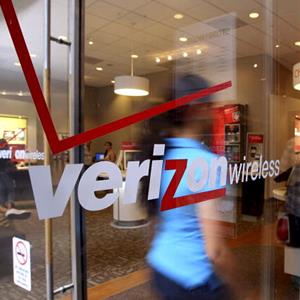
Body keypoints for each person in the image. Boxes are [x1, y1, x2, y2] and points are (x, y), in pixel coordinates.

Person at [140, 74, 247, 300]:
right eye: (210, 106)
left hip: (161, 269)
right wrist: (240, 289)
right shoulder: (204, 163)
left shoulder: (161, 154)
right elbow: (215, 252)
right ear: (196, 110)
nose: (213, 113)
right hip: (193, 281)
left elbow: (157, 222)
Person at [0, 139, 31, 226]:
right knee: (9, 191)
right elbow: (10, 163)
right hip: (6, 175)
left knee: (2, 195)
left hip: (3, 176)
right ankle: (9, 210)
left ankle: (7, 216)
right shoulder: (5, 150)